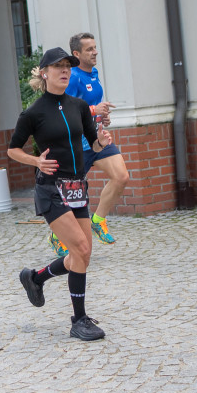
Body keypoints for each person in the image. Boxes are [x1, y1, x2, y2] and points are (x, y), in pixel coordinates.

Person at [7, 48, 113, 342]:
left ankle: (36, 277)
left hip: (78, 186)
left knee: (83, 254)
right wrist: (36, 160)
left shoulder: (78, 106)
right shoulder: (33, 112)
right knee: (78, 247)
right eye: (59, 67)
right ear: (44, 73)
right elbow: (13, 149)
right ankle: (78, 320)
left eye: (68, 66)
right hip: (51, 189)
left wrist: (102, 141)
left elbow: (93, 145)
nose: (65, 71)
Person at [66, 32, 127, 245]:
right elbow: (67, 111)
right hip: (77, 145)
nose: (95, 52)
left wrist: (102, 117)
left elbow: (92, 109)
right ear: (76, 53)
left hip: (97, 140)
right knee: (72, 196)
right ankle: (57, 237)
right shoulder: (72, 77)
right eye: (89, 49)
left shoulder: (94, 73)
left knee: (121, 177)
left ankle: (98, 220)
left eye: (95, 47)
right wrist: (93, 110)